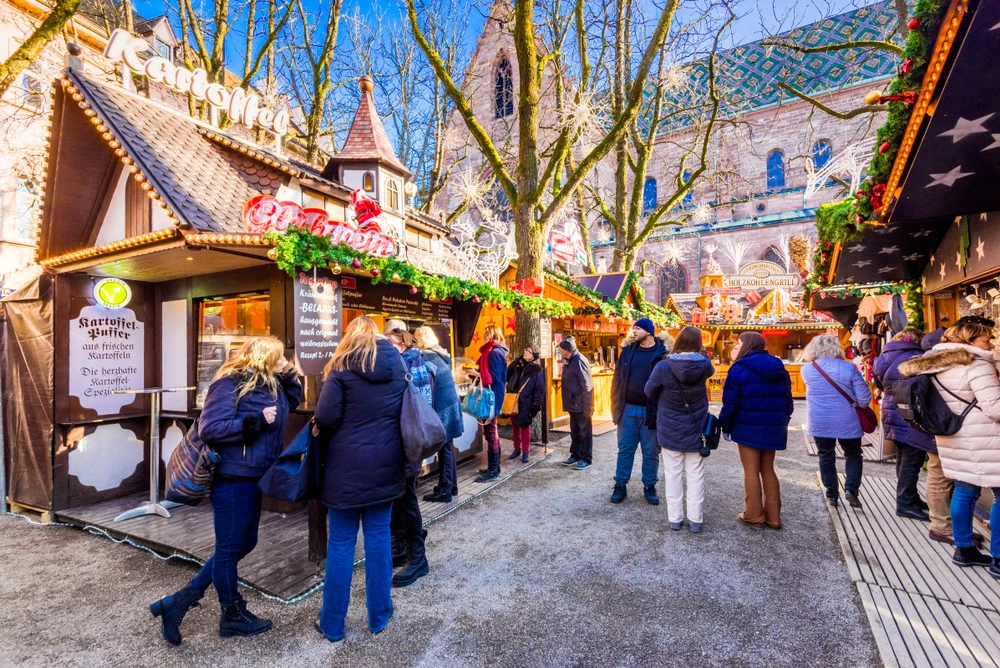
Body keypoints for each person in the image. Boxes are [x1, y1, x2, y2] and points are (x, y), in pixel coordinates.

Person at [149, 336, 301, 645]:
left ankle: (180, 600)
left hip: (254, 476)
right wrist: (254, 421)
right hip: (233, 476)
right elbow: (210, 428)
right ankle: (232, 614)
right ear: (264, 357)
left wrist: (289, 375)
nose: (282, 360)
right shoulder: (229, 383)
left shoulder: (270, 383)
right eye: (279, 357)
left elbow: (292, 403)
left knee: (243, 544)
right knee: (231, 548)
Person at [314, 317, 406, 642]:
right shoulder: (396, 363)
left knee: (340, 544)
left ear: (350, 334)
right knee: (379, 539)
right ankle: (379, 616)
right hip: (387, 463)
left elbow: (325, 417)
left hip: (345, 468)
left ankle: (333, 625)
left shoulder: (341, 365)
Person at [898, 321, 1000, 575]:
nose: (990, 344)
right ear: (970, 341)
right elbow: (995, 408)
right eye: (986, 340)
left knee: (965, 489)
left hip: (952, 435)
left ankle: (964, 549)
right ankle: (998, 558)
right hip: (984, 438)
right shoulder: (976, 365)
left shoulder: (936, 363)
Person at [719, 332, 793, 530]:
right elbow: (788, 400)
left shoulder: (739, 369)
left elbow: (730, 404)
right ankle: (774, 517)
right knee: (768, 469)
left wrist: (726, 425)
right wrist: (784, 420)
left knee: (751, 471)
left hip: (747, 425)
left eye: (740, 342)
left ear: (747, 344)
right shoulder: (779, 367)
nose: (737, 345)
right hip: (774, 425)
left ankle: (753, 515)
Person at [644, 326, 715, 533]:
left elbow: (649, 391)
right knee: (695, 475)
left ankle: (675, 519)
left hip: (669, 426)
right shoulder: (705, 366)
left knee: (672, 474)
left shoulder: (663, 367)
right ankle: (696, 520)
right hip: (697, 428)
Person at [385, 321, 433, 588]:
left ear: (401, 342)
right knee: (398, 498)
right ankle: (400, 548)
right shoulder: (404, 361)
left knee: (407, 499)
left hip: (408, 441)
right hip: (398, 441)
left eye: (390, 344)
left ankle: (417, 556)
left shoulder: (411, 362)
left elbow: (421, 403)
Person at [800, 335, 871, 509]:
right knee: (853, 454)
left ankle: (832, 495)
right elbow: (863, 400)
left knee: (826, 456)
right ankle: (851, 490)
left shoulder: (807, 370)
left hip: (820, 421)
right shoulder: (849, 368)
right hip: (847, 420)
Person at [873, 328, 936, 522]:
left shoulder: (883, 356)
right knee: (912, 459)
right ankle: (905, 503)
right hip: (911, 412)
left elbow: (879, 384)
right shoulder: (916, 356)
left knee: (903, 456)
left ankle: (909, 498)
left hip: (891, 409)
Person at [609, 318, 670, 505]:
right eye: (633, 328)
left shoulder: (663, 354)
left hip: (652, 410)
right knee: (625, 449)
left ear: (649, 331)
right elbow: (617, 380)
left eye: (637, 328)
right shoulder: (627, 353)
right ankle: (620, 485)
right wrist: (615, 405)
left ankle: (649, 486)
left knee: (651, 451)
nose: (633, 331)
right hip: (627, 409)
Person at [415, 326, 465, 504]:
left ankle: (445, 491)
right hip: (450, 404)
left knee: (444, 447)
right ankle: (451, 486)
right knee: (448, 446)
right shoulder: (440, 353)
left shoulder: (426, 356)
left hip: (442, 406)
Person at [473, 324, 509, 482]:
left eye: (485, 334)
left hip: (491, 397)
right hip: (494, 396)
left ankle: (494, 471)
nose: (483, 337)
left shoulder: (493, 353)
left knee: (491, 433)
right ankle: (494, 467)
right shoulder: (496, 351)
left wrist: (476, 373)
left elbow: (492, 378)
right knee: (491, 433)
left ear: (491, 335)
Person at [505, 345, 545, 463]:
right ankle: (517, 448)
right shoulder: (516, 363)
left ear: (534, 356)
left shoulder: (536, 370)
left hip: (526, 402)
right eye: (525, 350)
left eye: (529, 351)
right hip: (513, 399)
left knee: (524, 427)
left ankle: (526, 451)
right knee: (514, 426)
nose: (526, 352)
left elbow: (539, 389)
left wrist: (535, 406)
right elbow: (507, 376)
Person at [559, 335, 594, 470]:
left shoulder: (579, 361)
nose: (560, 351)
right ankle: (575, 455)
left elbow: (587, 385)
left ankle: (586, 458)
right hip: (573, 403)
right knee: (575, 431)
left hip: (580, 403)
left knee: (584, 432)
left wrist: (588, 406)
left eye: (562, 349)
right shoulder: (569, 360)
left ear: (568, 350)